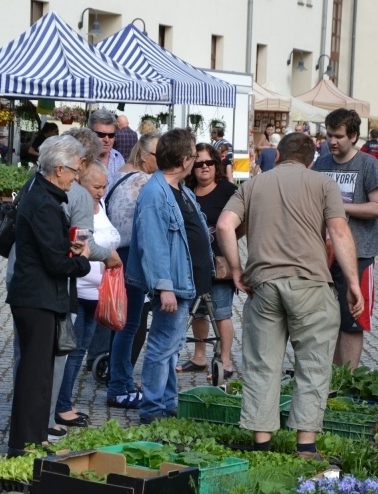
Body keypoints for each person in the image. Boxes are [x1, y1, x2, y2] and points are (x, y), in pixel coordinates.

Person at [216, 132, 363, 458]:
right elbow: (339, 232)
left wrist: (236, 269)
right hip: (311, 285)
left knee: (261, 364)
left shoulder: (253, 185)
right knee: (313, 364)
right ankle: (306, 446)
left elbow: (225, 226)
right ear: (311, 159)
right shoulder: (324, 185)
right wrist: (353, 282)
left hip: (265, 285)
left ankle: (262, 444)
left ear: (278, 156)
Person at [6, 136, 91, 456]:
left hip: (39, 296)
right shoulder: (43, 202)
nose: (76, 176)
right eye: (73, 170)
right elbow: (56, 261)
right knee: (34, 375)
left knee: (40, 375)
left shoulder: (43, 196)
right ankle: (24, 444)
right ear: (58, 169)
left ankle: (36, 437)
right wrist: (81, 260)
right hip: (36, 297)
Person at [126, 128, 212, 424]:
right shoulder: (154, 193)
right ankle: (152, 410)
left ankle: (167, 402)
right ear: (186, 159)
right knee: (162, 347)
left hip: (185, 283)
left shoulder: (183, 191)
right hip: (172, 285)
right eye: (194, 154)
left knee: (172, 348)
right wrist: (163, 287)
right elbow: (152, 244)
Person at [312, 108, 378, 370]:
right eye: (328, 135)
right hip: (323, 256)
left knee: (352, 321)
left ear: (354, 136)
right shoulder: (321, 164)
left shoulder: (368, 165)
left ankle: (347, 381)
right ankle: (330, 379)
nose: (332, 141)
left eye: (339, 136)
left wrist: (340, 208)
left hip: (359, 255)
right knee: (325, 321)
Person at [55, 160, 120, 424]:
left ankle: (63, 401)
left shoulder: (101, 204)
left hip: (97, 292)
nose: (101, 192)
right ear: (81, 181)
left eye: (104, 186)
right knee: (72, 350)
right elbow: (81, 244)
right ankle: (62, 405)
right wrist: (107, 257)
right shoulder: (77, 205)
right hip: (79, 290)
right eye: (96, 186)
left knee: (80, 350)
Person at [104, 131, 161, 409]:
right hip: (130, 255)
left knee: (123, 324)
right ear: (145, 155)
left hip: (119, 253)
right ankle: (120, 384)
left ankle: (120, 379)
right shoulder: (143, 180)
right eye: (158, 157)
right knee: (130, 325)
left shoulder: (122, 173)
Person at [177, 143, 238, 377]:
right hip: (192, 262)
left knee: (221, 311)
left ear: (216, 164)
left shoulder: (228, 191)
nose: (204, 167)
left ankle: (224, 359)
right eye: (198, 163)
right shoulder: (185, 192)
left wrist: (228, 240)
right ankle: (199, 357)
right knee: (199, 311)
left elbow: (242, 223)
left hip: (220, 262)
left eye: (209, 163)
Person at [88, 109, 125, 187]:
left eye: (111, 135)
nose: (107, 140)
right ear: (90, 133)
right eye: (101, 134)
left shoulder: (118, 157)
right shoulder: (83, 159)